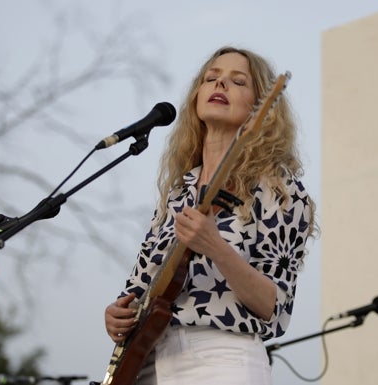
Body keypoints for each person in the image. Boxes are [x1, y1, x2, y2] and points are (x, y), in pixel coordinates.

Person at [104, 46, 317, 384]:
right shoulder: (178, 191)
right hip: (150, 361)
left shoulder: (279, 190)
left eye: (237, 81)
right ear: (196, 96)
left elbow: (273, 306)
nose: (220, 85)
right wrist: (117, 315)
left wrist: (215, 246)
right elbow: (138, 287)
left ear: (261, 108)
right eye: (211, 78)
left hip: (222, 360)